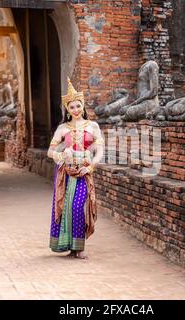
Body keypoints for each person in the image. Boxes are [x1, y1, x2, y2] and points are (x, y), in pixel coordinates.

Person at [47, 78, 104, 259]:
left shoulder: (92, 126)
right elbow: (50, 151)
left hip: (84, 172)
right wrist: (62, 154)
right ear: (67, 109)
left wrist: (91, 167)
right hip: (66, 172)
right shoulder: (63, 128)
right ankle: (69, 247)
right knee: (66, 208)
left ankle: (79, 247)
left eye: (78, 106)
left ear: (83, 106)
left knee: (79, 207)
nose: (76, 110)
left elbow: (100, 150)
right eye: (72, 107)